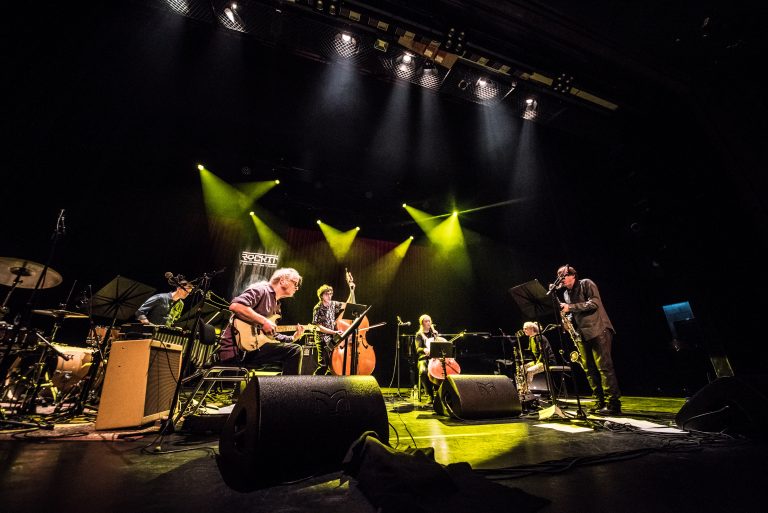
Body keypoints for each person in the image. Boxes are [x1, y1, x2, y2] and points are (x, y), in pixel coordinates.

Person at [557, 265, 621, 414]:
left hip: (598, 329)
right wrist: (568, 320)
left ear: (573, 275)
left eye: (563, 276)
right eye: (559, 277)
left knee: (604, 367)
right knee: (589, 369)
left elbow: (594, 303)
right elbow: (574, 311)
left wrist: (570, 307)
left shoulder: (586, 283)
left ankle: (613, 404)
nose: (561, 279)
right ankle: (599, 401)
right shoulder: (566, 293)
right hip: (582, 333)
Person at [217, 268, 304, 374]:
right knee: (294, 350)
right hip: (236, 349)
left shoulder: (277, 306)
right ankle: (288, 385)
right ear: (282, 281)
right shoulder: (261, 290)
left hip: (254, 349)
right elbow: (236, 306)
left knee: (292, 350)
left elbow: (270, 335)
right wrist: (264, 321)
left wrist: (292, 338)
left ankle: (283, 383)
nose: (297, 288)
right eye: (295, 283)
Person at [311, 283, 353, 375]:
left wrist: (351, 290)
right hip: (321, 338)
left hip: (331, 337)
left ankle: (328, 383)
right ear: (321, 296)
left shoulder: (333, 304)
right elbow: (319, 327)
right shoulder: (317, 308)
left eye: (330, 294)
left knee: (332, 365)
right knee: (323, 365)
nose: (329, 296)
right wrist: (334, 332)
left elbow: (347, 305)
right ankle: (313, 382)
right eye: (327, 294)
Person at [521, 321, 555, 389]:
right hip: (538, 361)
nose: (524, 330)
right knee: (522, 368)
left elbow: (543, 353)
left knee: (530, 370)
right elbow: (530, 351)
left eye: (525, 328)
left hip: (547, 361)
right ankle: (522, 386)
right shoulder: (531, 338)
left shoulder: (540, 338)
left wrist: (537, 363)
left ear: (532, 328)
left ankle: (525, 389)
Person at [414, 314, 439, 403]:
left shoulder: (434, 333)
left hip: (434, 358)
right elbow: (418, 349)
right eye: (426, 321)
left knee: (442, 370)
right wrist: (424, 349)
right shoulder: (419, 335)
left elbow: (439, 346)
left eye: (429, 321)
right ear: (422, 323)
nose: (428, 323)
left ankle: (440, 392)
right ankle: (430, 394)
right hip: (423, 358)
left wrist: (437, 337)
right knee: (423, 371)